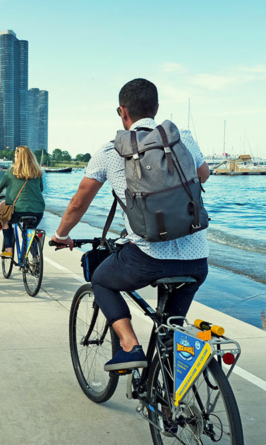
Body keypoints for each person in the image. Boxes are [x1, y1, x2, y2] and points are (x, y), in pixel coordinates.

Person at [51, 78, 211, 371]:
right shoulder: (183, 138)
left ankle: (129, 345)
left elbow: (78, 202)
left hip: (147, 258)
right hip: (196, 258)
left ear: (122, 112)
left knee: (100, 279)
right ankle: (170, 407)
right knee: (172, 331)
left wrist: (62, 234)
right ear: (157, 107)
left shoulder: (110, 150)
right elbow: (204, 175)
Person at [0, 146, 45, 258]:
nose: (14, 159)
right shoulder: (37, 173)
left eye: (15, 157)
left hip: (17, 210)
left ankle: (9, 250)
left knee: (5, 221)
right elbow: (41, 189)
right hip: (38, 210)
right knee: (29, 231)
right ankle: (36, 258)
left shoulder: (11, 172)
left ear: (19, 158)